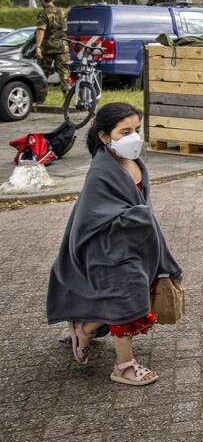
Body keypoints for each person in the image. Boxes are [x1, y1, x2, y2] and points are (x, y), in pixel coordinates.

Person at [46, 102, 182, 386]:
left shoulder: (134, 162)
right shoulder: (100, 171)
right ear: (105, 136)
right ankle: (123, 366)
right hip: (106, 248)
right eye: (125, 131)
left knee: (132, 294)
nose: (134, 137)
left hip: (131, 243)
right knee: (127, 297)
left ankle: (86, 327)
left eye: (137, 130)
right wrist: (136, 218)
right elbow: (93, 216)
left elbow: (142, 208)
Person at [34, 0, 69, 96]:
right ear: (52, 0)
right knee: (64, 72)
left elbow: (41, 30)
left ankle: (39, 95)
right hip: (62, 46)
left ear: (42, 1)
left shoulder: (43, 13)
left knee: (42, 73)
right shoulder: (62, 12)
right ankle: (67, 94)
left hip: (48, 47)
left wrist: (38, 47)